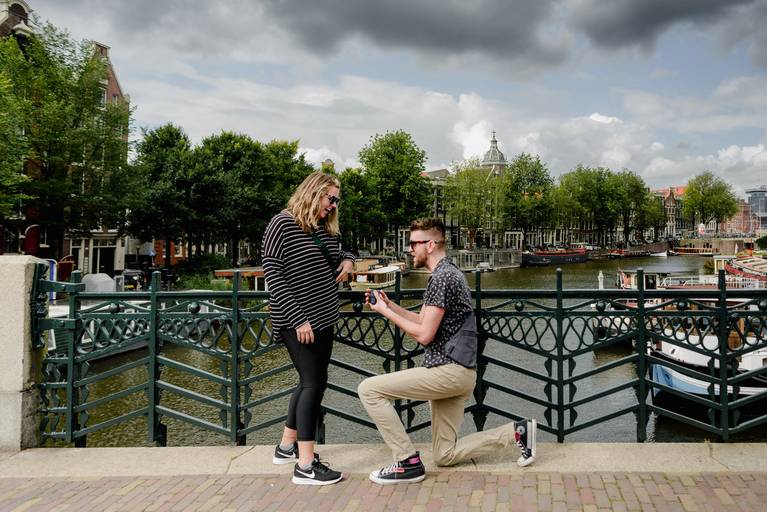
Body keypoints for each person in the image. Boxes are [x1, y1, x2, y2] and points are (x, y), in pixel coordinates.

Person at [359, 218, 537, 485]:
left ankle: (406, 460)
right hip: (459, 372)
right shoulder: (448, 273)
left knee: (369, 390)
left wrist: (384, 312)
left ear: (430, 245)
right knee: (445, 455)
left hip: (448, 371)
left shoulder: (442, 277)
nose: (409, 249)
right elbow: (422, 320)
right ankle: (518, 432)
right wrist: (391, 306)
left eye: (413, 244)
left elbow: (424, 335)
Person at [262, 171, 355, 486]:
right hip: (299, 322)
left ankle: (287, 447)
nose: (333, 205)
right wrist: (297, 317)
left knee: (310, 382)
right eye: (331, 198)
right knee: (313, 385)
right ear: (314, 193)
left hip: (324, 317)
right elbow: (272, 273)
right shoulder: (282, 224)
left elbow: (338, 253)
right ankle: (305, 467)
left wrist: (349, 261)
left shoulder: (321, 229)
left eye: (336, 200)